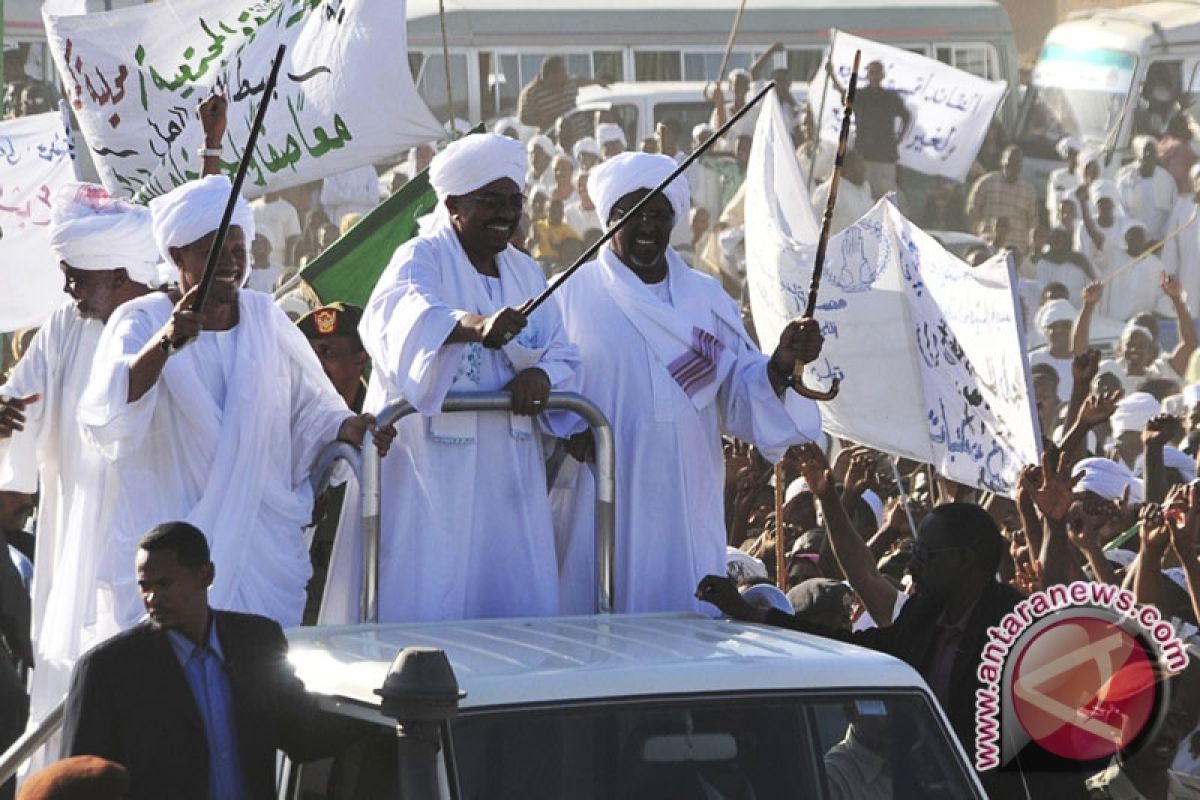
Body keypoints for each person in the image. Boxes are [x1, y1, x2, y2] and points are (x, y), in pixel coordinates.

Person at [77, 174, 389, 631]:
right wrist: (164, 344)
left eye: (238, 252)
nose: (230, 264)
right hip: (172, 541)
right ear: (177, 255)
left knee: (259, 675)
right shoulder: (141, 320)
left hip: (258, 547)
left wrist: (344, 427)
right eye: (213, 253)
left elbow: (309, 406)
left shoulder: (265, 318)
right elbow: (109, 408)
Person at [552, 152, 824, 614]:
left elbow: (740, 392)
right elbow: (540, 387)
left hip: (687, 501)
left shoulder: (705, 297)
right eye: (632, 214)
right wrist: (561, 432)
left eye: (659, 215)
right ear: (609, 218)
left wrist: (780, 362)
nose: (647, 227)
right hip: (599, 501)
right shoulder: (568, 293)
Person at [357, 132, 581, 622]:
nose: (505, 213)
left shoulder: (526, 272)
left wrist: (541, 374)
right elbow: (405, 317)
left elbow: (564, 350)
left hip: (511, 468)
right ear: (454, 203)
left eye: (513, 201)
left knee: (512, 594)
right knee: (435, 587)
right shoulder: (420, 257)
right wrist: (475, 327)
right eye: (490, 201)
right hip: (435, 472)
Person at [62, 522, 356, 800]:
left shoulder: (257, 643)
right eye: (144, 586)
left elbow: (303, 734)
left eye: (164, 584)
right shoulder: (109, 670)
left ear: (206, 576)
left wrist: (383, 717)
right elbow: (80, 784)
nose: (152, 598)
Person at [829, 59, 911, 200]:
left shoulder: (890, 98)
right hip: (863, 156)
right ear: (867, 75)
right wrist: (831, 75)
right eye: (871, 73)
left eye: (876, 73)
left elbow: (906, 116)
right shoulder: (860, 95)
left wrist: (899, 138)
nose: (873, 76)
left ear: (882, 75)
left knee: (887, 200)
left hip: (886, 157)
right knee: (864, 198)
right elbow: (843, 94)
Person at [296, 302, 369, 412]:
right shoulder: (296, 419)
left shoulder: (383, 414)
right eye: (309, 353)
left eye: (326, 351)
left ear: (360, 359)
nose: (316, 362)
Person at [966, 145, 1039, 250]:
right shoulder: (986, 183)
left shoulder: (1029, 191)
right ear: (1002, 162)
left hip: (1016, 251)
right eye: (1009, 163)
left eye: (1016, 164)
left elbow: (1033, 224)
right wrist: (977, 238)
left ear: (1021, 166)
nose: (1012, 167)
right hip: (988, 246)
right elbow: (972, 212)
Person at [517, 55, 607, 137]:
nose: (565, 74)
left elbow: (580, 80)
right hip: (554, 139)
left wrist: (598, 82)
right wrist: (545, 121)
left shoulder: (568, 81)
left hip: (581, 135)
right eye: (562, 71)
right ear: (551, 76)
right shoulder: (531, 93)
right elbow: (523, 118)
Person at [1118, 136, 1178, 241]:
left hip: (1160, 241)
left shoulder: (1167, 180)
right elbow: (1120, 210)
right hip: (1132, 241)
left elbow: (1174, 211)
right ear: (1137, 154)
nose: (1147, 155)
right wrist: (1134, 236)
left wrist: (1161, 238)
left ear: (1156, 155)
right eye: (1144, 151)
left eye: (1151, 151)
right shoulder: (1125, 181)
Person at [811, 149, 872, 234]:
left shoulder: (865, 188)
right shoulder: (830, 190)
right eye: (859, 165)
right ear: (847, 169)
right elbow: (815, 221)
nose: (865, 169)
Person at [1035, 226, 1095, 305]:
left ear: (1067, 241)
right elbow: (1043, 288)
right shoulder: (1043, 263)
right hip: (1056, 309)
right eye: (1054, 238)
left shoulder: (1080, 260)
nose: (1056, 240)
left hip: (1080, 309)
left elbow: (1093, 281)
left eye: (1060, 238)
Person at [247, 191, 301, 268]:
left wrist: (288, 265)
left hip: (278, 262)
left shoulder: (288, 209)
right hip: (253, 264)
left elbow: (292, 240)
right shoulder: (249, 208)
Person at [319, 163, 381, 229]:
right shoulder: (332, 169)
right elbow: (327, 198)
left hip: (364, 222)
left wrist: (341, 194)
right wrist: (363, 193)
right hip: (339, 225)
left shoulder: (369, 168)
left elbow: (374, 198)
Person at [1157, 114, 1196, 193]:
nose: (1189, 128)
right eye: (1187, 125)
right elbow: (1177, 175)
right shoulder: (1179, 148)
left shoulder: (1165, 142)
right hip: (1178, 194)